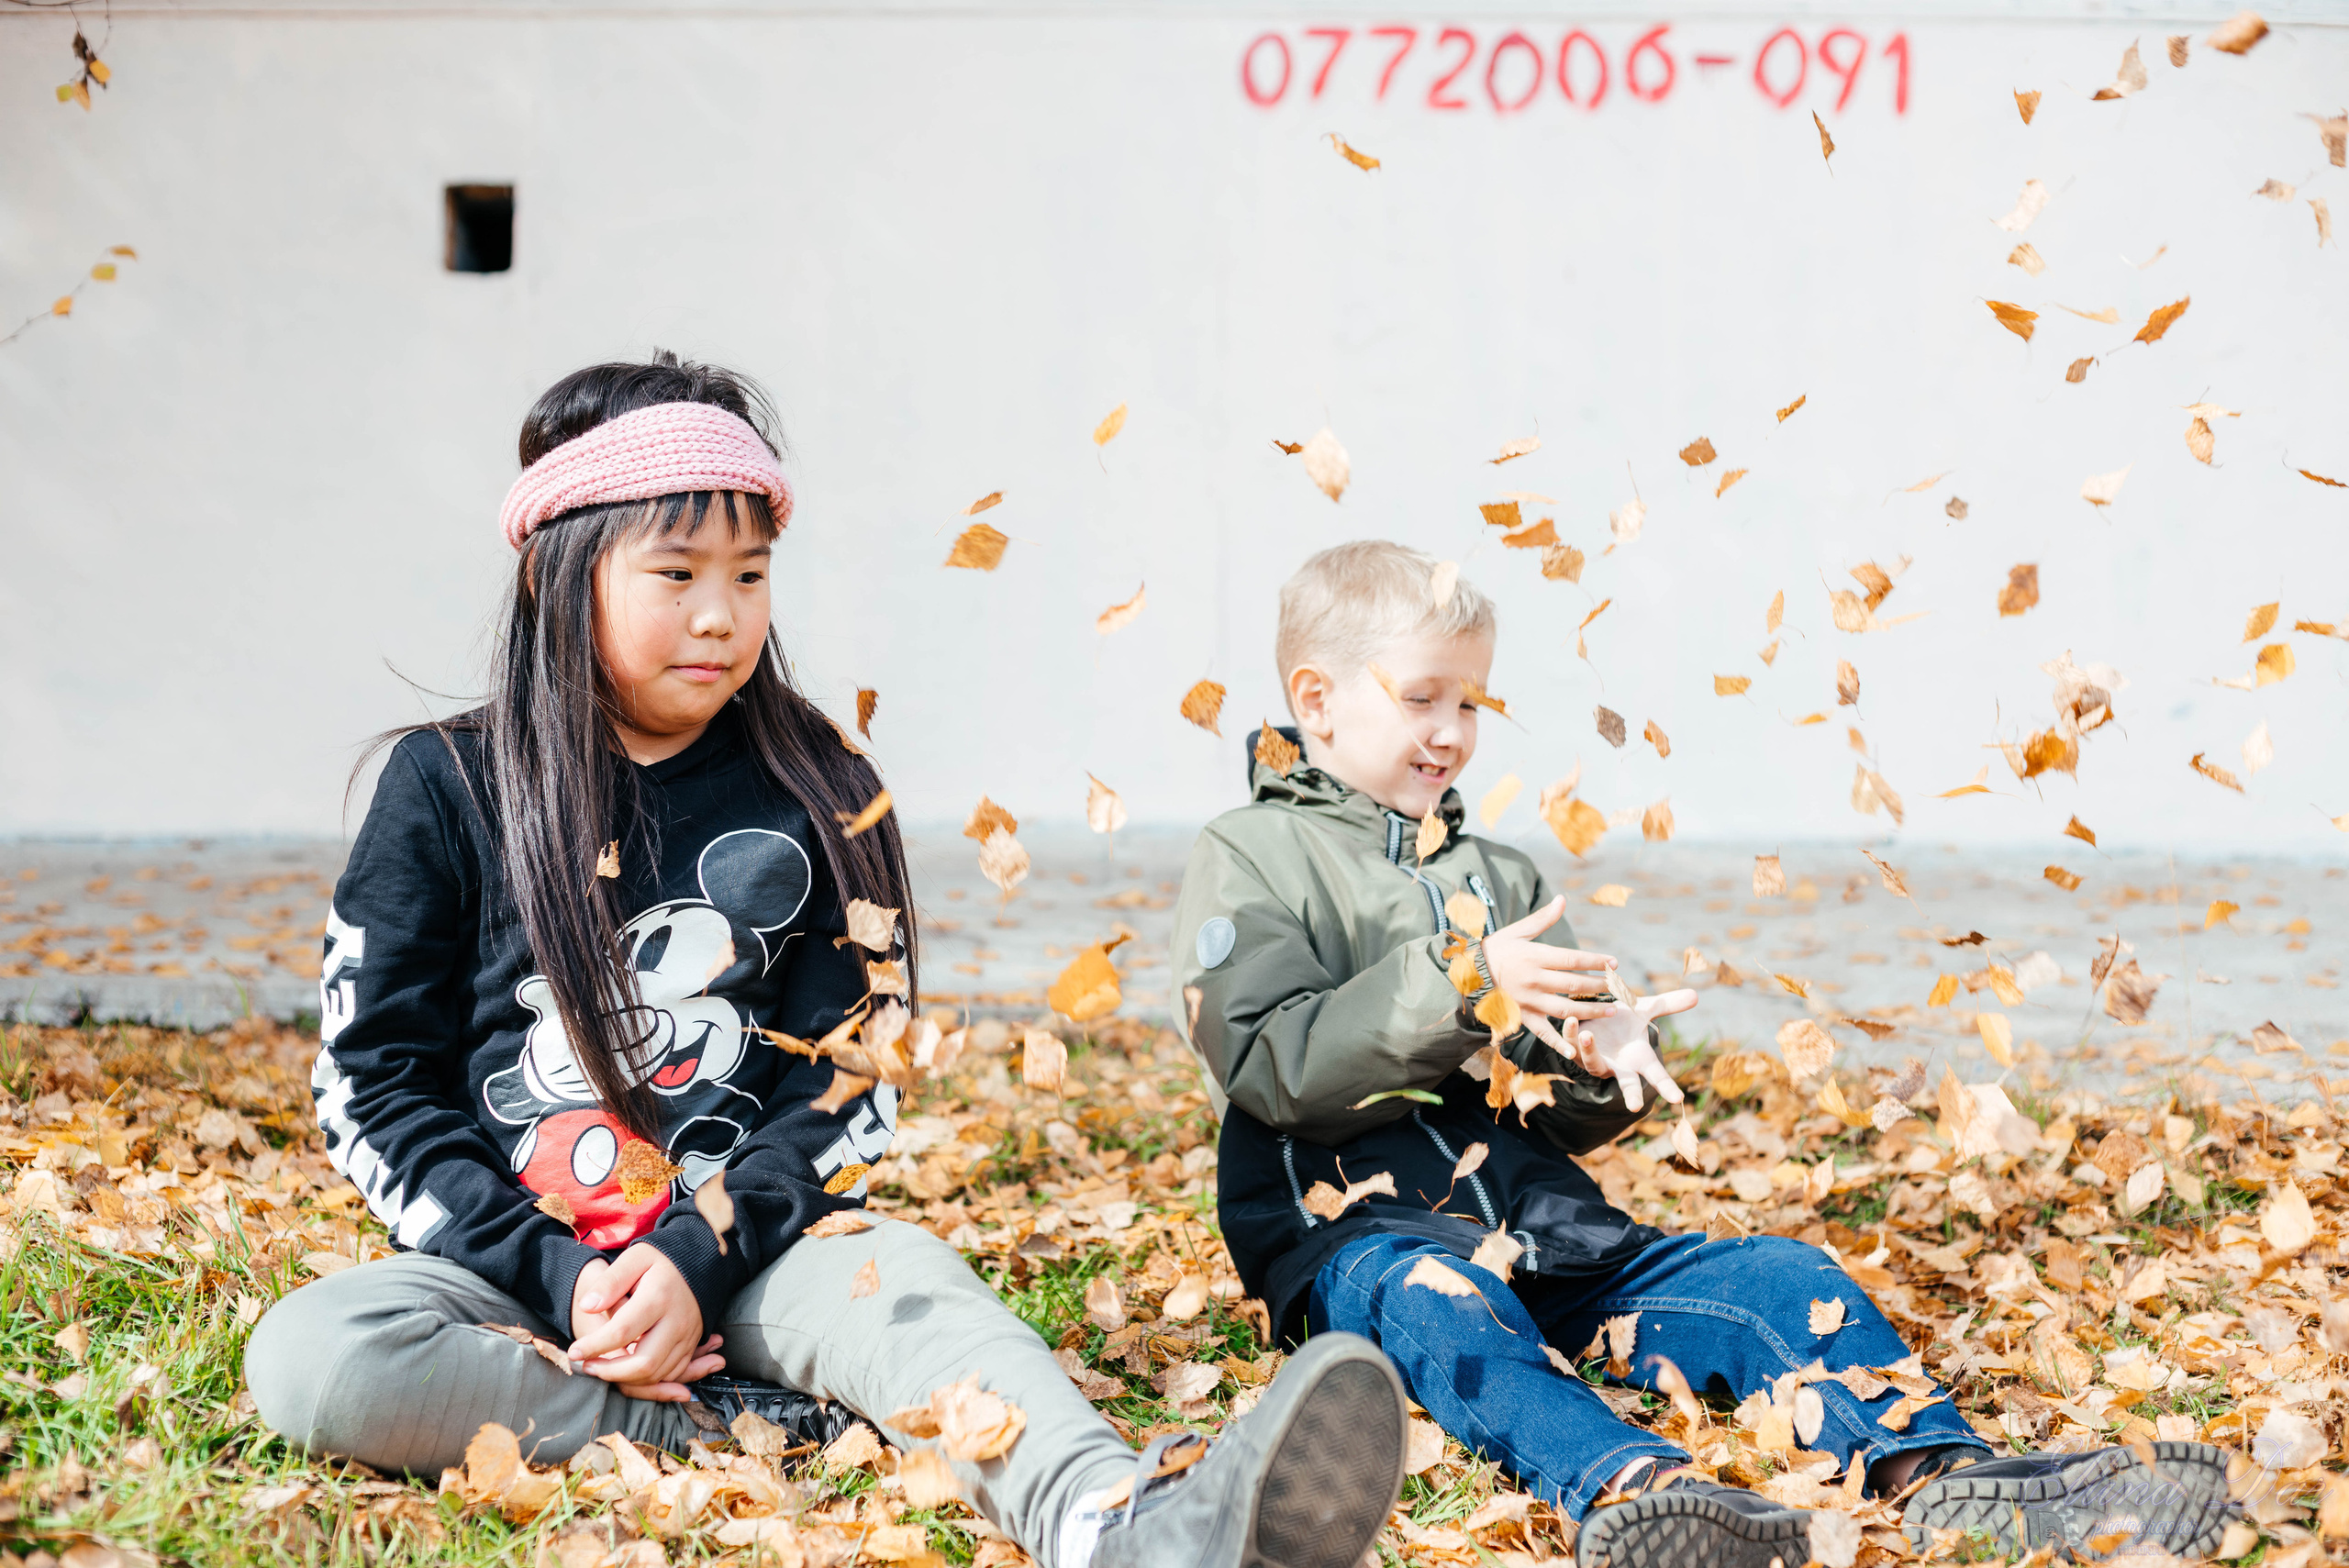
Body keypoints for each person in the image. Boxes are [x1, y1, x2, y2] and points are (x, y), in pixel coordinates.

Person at [244, 354, 1409, 1568]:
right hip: (519, 1278)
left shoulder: (820, 785)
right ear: (555, 571)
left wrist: (695, 1257)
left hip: (759, 1258)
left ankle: (1124, 1526)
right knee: (318, 1357)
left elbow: (851, 1079)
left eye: (750, 574)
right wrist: (560, 1279)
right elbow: (373, 1082)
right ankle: (731, 1426)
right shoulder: (446, 784)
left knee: (913, 1290)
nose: (721, 614)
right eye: (677, 573)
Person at [1169, 540, 2239, 1567]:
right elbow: (1269, 1061)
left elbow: (1553, 1107)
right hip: (1356, 1239)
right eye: (1421, 697)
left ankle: (1941, 1470)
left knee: (1782, 1275)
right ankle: (1641, 1493)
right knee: (1439, 1302)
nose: (1451, 730)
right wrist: (1460, 982)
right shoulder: (1252, 854)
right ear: (1317, 700)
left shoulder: (1496, 873)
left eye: (1471, 703)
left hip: (1542, 1232)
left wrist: (1597, 1058)